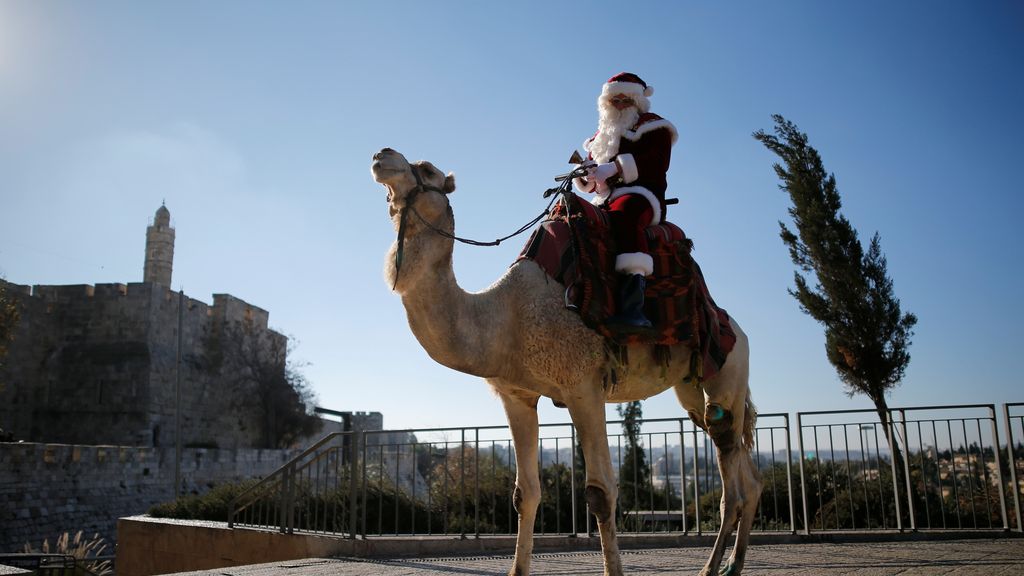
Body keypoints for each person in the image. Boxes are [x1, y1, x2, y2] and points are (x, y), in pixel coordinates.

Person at [574, 72, 678, 332]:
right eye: (614, 100)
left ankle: (634, 307)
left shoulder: (655, 127)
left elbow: (657, 162)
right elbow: (592, 181)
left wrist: (616, 168)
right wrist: (586, 175)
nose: (619, 105)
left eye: (626, 100)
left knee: (625, 214)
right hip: (604, 198)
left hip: (642, 195)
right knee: (571, 216)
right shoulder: (601, 137)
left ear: (637, 102)